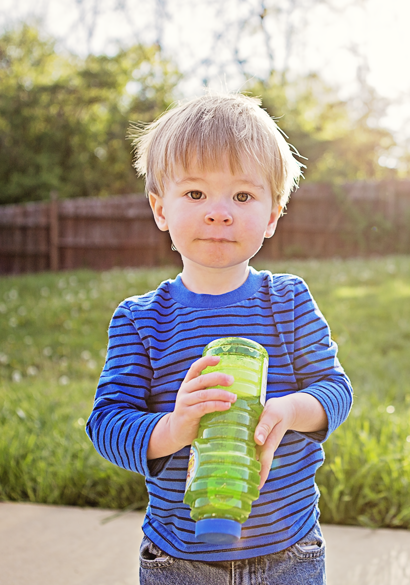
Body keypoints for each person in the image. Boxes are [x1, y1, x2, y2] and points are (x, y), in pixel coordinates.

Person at [86, 92, 353, 584]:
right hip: (177, 559)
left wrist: (289, 410)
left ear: (273, 214)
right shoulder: (142, 319)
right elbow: (106, 423)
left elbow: (335, 390)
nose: (219, 212)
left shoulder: (289, 301)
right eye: (195, 194)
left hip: (289, 552)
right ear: (159, 209)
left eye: (243, 196)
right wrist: (174, 428)